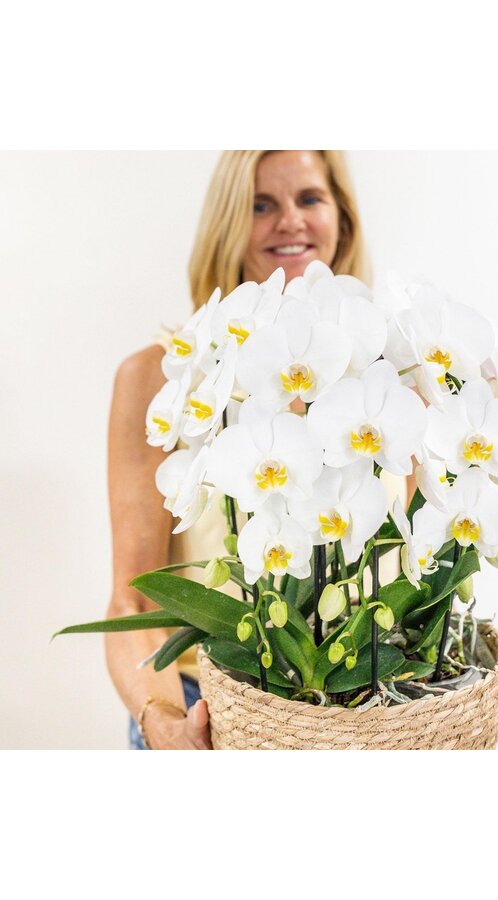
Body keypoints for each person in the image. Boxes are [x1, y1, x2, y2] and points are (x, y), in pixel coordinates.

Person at [106, 150, 415, 750]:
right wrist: (162, 719)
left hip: (377, 707)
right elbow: (133, 593)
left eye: (309, 199)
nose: (290, 222)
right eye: (260, 205)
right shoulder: (168, 379)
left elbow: (420, 559)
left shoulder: (395, 375)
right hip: (210, 711)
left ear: (342, 219)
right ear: (227, 223)